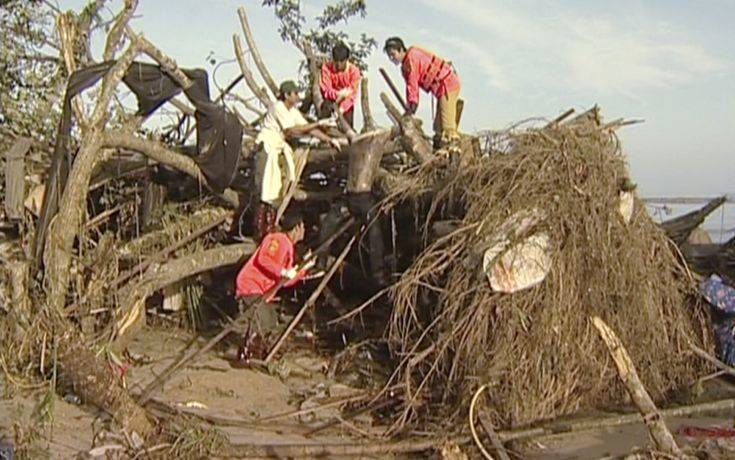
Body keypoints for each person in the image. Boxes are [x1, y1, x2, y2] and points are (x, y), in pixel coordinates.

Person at [253, 80, 342, 240]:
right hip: (267, 148)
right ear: (287, 95)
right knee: (265, 192)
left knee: (275, 191)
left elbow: (309, 128)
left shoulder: (292, 111)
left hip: (277, 150)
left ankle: (269, 230)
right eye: (295, 93)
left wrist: (329, 139)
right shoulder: (278, 107)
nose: (297, 96)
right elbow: (292, 131)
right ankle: (260, 233)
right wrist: (319, 122)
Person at [235, 217, 316, 334]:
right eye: (303, 227)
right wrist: (282, 271)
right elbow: (263, 259)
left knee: (271, 321)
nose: (304, 231)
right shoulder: (278, 239)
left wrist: (303, 269)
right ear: (296, 228)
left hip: (263, 292)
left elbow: (286, 281)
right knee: (264, 323)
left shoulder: (290, 249)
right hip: (251, 285)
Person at [383, 37, 461, 148]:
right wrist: (409, 106)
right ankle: (439, 151)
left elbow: (413, 85)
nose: (392, 58)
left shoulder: (411, 59)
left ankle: (453, 153)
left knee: (448, 128)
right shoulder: (407, 63)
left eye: (393, 54)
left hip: (447, 84)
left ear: (401, 50)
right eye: (389, 56)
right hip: (441, 89)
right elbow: (410, 87)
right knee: (438, 128)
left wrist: (412, 107)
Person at [319, 42, 361, 128]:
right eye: (336, 61)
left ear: (347, 59)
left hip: (346, 103)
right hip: (330, 100)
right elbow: (326, 89)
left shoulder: (354, 71)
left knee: (348, 124)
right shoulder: (326, 68)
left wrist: (341, 109)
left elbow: (352, 96)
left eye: (341, 61)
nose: (338, 64)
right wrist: (340, 94)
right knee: (326, 108)